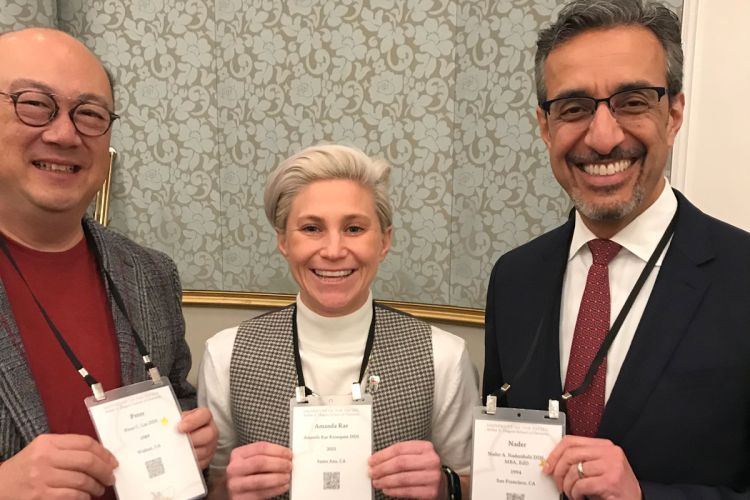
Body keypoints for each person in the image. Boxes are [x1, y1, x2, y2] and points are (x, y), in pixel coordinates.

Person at [483, 0, 750, 498]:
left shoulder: (743, 276)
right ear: (545, 127)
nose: (603, 138)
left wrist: (645, 496)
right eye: (574, 108)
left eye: (631, 102)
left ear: (673, 113)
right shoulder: (514, 278)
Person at [0, 28, 217, 499]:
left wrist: (188, 437)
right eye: (35, 104)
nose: (64, 133)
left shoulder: (150, 274)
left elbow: (174, 391)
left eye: (89, 114)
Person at [198, 144, 479, 499]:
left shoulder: (444, 357)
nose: (332, 251)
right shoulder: (226, 355)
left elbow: (477, 487)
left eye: (354, 228)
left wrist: (445, 485)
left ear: (384, 241)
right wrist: (226, 492)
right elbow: (211, 488)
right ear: (284, 240)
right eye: (312, 228)